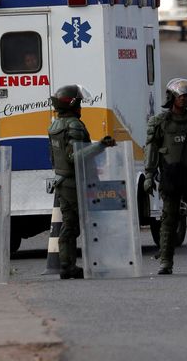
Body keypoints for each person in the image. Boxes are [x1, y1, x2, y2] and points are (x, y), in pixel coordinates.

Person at [48, 84, 115, 279]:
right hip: (77, 182)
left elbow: (54, 157)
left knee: (70, 225)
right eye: (79, 103)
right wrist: (101, 146)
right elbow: (76, 156)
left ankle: (66, 266)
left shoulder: (54, 125)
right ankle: (96, 263)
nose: (81, 107)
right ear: (73, 105)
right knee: (91, 223)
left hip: (62, 181)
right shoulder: (74, 125)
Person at [143, 78, 187, 275]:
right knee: (168, 219)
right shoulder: (159, 122)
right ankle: (165, 261)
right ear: (171, 97)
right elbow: (151, 149)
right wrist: (149, 174)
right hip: (171, 177)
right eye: (181, 96)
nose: (185, 99)